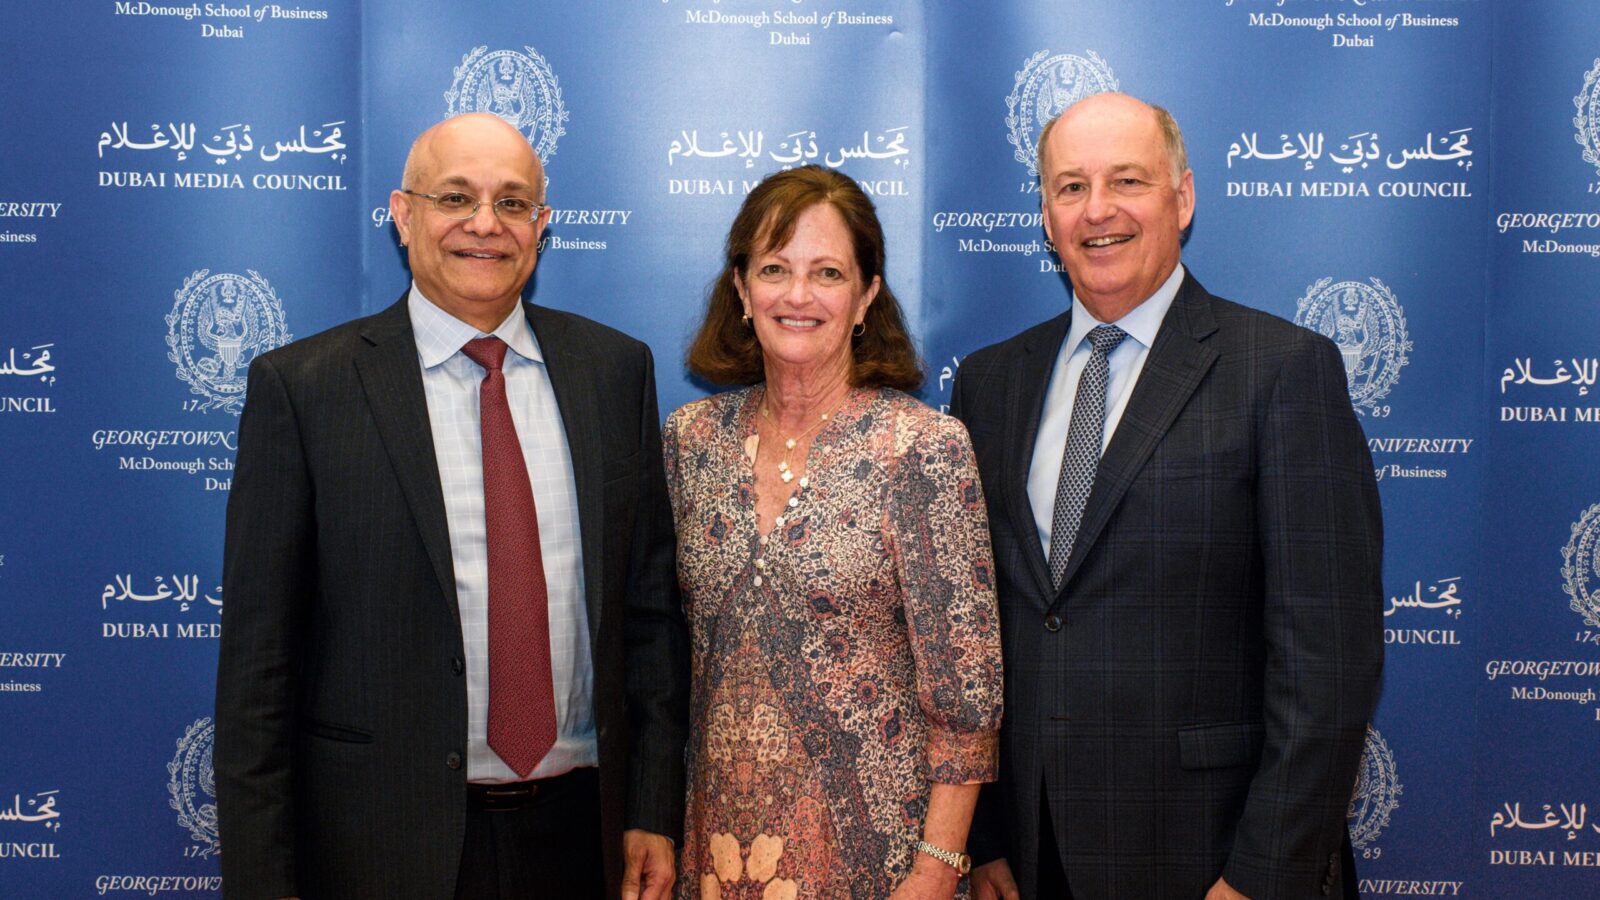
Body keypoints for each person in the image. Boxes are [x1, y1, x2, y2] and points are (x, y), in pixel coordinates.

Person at [215, 113, 689, 900]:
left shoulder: (614, 372)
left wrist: (651, 810)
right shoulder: (304, 391)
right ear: (404, 215)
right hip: (379, 847)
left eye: (511, 203)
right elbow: (259, 671)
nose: (484, 225)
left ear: (542, 226)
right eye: (455, 198)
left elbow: (649, 622)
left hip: (582, 839)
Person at [951, 94, 1384, 900]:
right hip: (1032, 858)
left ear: (1182, 198)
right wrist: (986, 840)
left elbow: (1329, 663)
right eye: (1070, 187)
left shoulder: (1283, 370)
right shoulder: (990, 383)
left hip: (1212, 857)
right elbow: (972, 638)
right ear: (1046, 216)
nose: (1098, 210)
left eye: (1127, 181)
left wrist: (1262, 876)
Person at [666, 165, 1004, 899]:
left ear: (866, 297)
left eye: (826, 272)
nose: (797, 295)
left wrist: (936, 869)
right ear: (741, 290)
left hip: (881, 867)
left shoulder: (922, 448)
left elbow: (967, 700)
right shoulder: (691, 441)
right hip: (716, 856)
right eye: (774, 269)